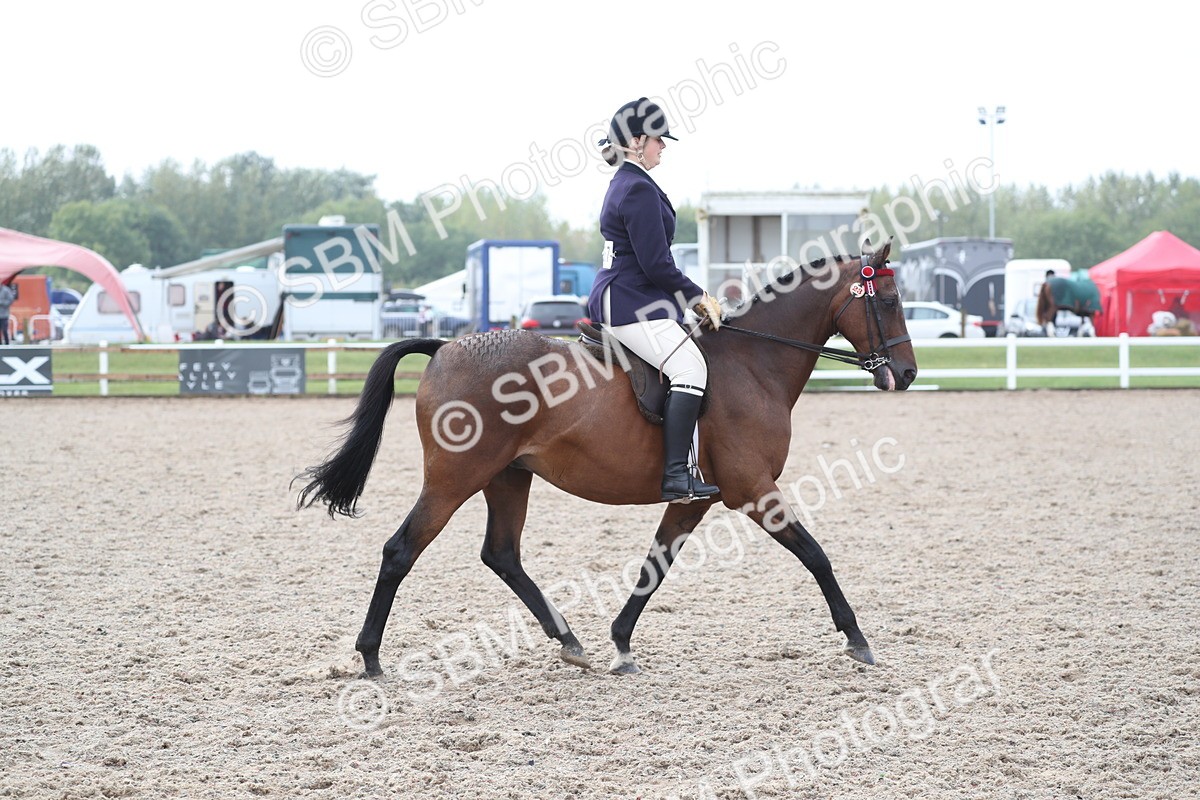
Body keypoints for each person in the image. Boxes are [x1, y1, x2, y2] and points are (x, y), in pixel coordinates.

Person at [587, 97, 723, 502]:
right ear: (635, 142)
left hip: (631, 295)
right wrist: (697, 296)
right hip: (629, 300)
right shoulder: (637, 190)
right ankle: (676, 476)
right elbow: (656, 265)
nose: (663, 146)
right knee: (690, 370)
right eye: (657, 139)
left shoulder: (631, 184)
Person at [0, 281, 15, 346]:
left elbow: (11, 300)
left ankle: (7, 344)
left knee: (4, 330)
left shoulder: (6, 290)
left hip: (4, 315)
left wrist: (2, 302)